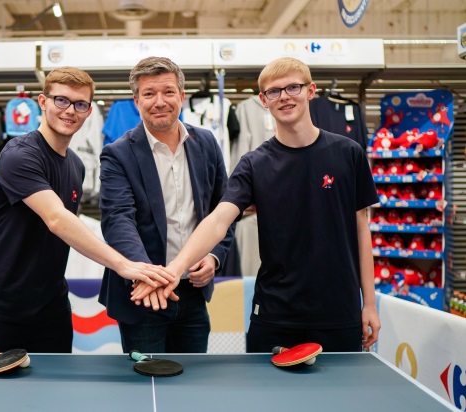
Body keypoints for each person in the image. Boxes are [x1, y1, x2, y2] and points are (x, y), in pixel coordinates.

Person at [132, 57, 381, 353]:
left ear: (311, 90)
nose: (284, 97)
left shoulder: (349, 154)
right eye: (274, 91)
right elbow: (218, 221)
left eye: (293, 87)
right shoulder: (253, 164)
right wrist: (176, 269)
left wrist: (369, 303)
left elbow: (361, 229)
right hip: (275, 315)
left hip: (339, 311)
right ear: (263, 100)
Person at [0, 67, 174, 354]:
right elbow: (56, 219)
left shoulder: (76, 165)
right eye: (61, 100)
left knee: (56, 384)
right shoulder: (19, 155)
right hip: (0, 305)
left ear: (89, 112)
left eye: (80, 104)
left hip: (51, 308)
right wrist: (123, 264)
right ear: (43, 101)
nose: (70, 111)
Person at [98, 56, 235, 353]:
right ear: (137, 101)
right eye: (149, 94)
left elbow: (224, 211)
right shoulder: (117, 154)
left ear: (182, 96)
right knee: (148, 376)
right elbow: (118, 220)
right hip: (143, 294)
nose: (159, 102)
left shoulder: (207, 144)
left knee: (193, 377)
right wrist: (149, 276)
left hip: (193, 291)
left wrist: (214, 257)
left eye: (168, 92)